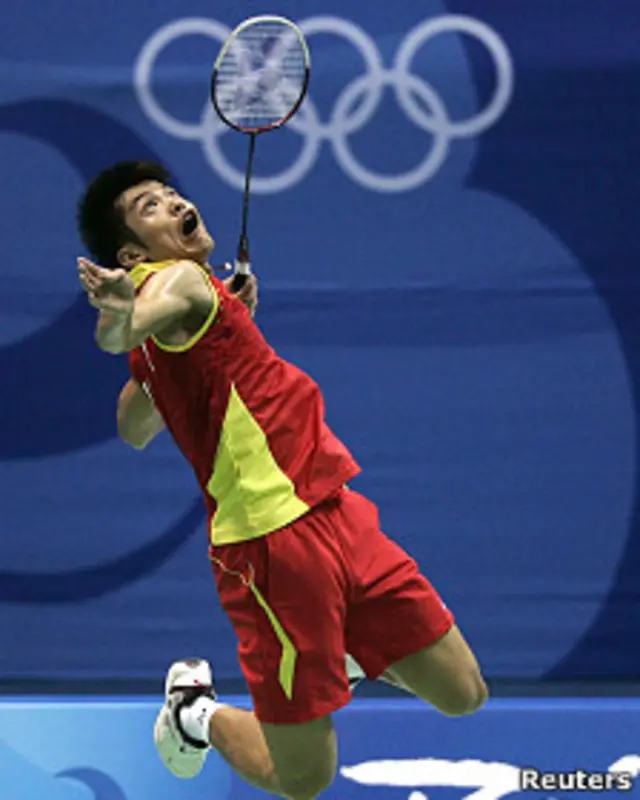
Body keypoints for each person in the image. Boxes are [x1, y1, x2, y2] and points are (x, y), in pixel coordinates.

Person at [77, 160, 488, 800]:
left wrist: (218, 333)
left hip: (335, 513)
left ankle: (341, 657)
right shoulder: (180, 281)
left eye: (170, 193)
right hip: (271, 548)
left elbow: (133, 425)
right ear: (132, 253)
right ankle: (195, 713)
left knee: (463, 692)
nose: (175, 202)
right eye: (150, 207)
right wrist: (121, 316)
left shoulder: (194, 305)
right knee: (302, 780)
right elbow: (126, 330)